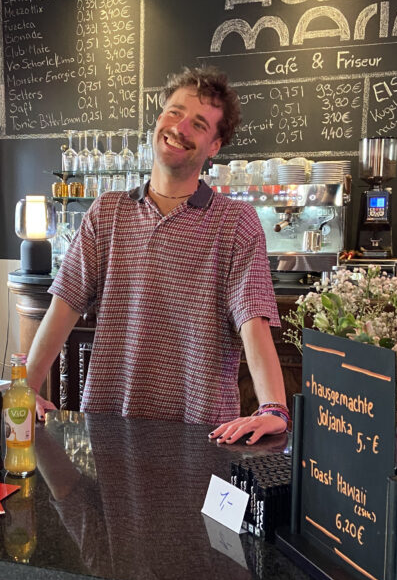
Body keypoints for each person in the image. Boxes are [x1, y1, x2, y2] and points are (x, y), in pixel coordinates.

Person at [25, 65, 289, 444]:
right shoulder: (107, 212)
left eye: (199, 124)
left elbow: (254, 320)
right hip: (110, 427)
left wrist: (273, 408)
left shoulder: (235, 222)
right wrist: (27, 387)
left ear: (214, 146)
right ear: (159, 118)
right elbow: (62, 307)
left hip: (203, 434)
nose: (180, 128)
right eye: (174, 113)